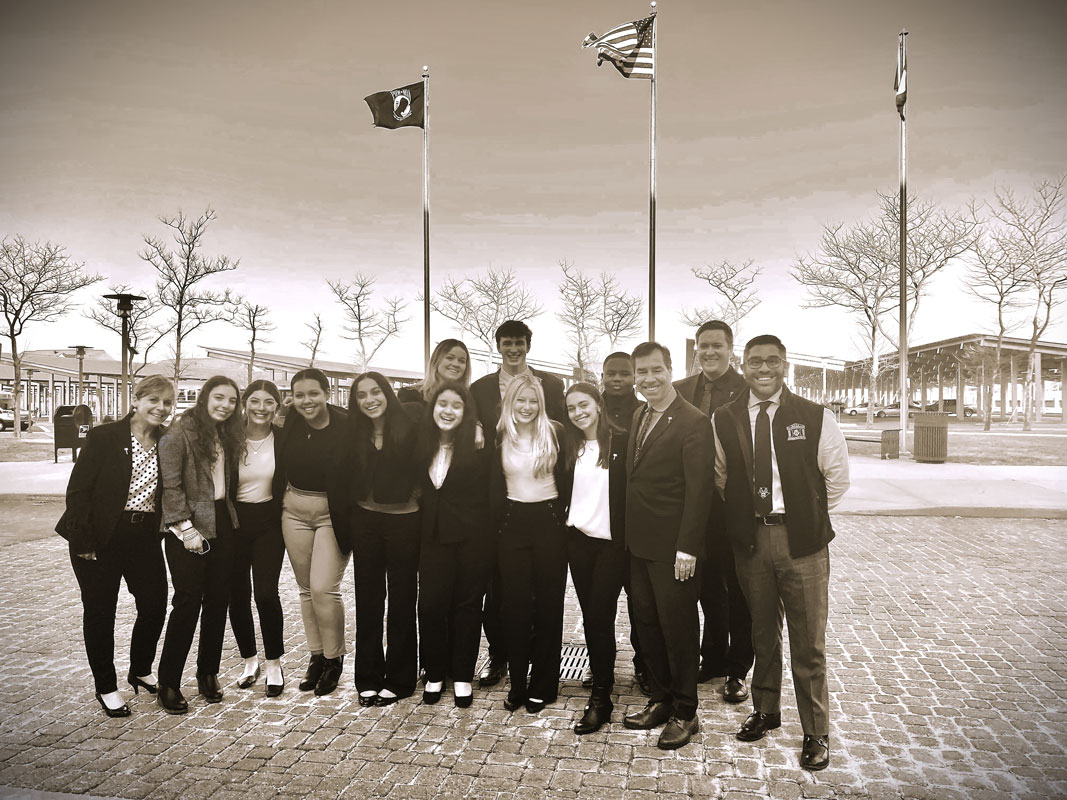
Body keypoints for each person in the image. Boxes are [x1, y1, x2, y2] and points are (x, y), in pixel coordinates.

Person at [713, 334, 849, 771]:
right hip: (752, 541)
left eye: (773, 361)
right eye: (755, 361)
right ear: (744, 365)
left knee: (808, 641)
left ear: (785, 365)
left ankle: (816, 732)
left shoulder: (814, 416)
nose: (764, 368)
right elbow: (721, 477)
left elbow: (836, 480)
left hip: (803, 543)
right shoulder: (725, 417)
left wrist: (802, 519)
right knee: (761, 633)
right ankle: (766, 710)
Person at [57, 374, 175, 717]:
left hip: (143, 537)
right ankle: (106, 686)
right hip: (99, 536)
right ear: (136, 400)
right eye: (153, 400)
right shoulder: (104, 437)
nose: (161, 408)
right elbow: (78, 491)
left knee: (154, 605)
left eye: (167, 402)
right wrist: (83, 540)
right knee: (100, 612)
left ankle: (140, 669)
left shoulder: (168, 440)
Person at [622, 342, 714, 750]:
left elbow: (700, 491)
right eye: (642, 372)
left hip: (674, 549)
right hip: (638, 545)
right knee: (646, 624)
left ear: (670, 369)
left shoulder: (693, 421)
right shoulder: (640, 414)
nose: (649, 379)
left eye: (656, 370)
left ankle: (685, 712)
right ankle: (660, 698)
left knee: (678, 629)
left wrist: (688, 548)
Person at [470, 320, 566, 687]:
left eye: (519, 343)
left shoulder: (552, 386)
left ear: (528, 345)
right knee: (503, 595)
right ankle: (502, 658)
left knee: (545, 598)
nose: (513, 349)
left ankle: (544, 672)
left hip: (546, 508)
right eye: (507, 343)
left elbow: (565, 444)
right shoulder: (480, 388)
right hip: (505, 509)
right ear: (498, 346)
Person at [673, 320, 753, 703]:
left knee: (737, 590)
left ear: (730, 349)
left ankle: (738, 669)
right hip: (691, 507)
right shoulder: (679, 390)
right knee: (704, 588)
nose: (708, 352)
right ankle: (713, 657)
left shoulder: (747, 390)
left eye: (716, 346)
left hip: (732, 506)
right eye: (703, 346)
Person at [157, 375, 243, 713]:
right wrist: (185, 528)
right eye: (219, 397)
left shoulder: (226, 434)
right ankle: (169, 681)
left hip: (223, 521)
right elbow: (171, 486)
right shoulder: (179, 433)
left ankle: (208, 672)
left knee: (219, 600)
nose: (225, 405)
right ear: (205, 397)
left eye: (232, 401)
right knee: (189, 601)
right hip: (188, 526)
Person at [491, 374, 571, 714]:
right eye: (520, 400)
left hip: (550, 521)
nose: (527, 407)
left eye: (533, 400)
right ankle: (519, 683)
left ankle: (543, 685)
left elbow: (568, 479)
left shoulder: (556, 432)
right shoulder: (498, 436)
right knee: (516, 607)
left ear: (541, 402)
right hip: (512, 524)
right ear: (510, 402)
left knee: (549, 606)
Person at [414, 382, 493, 708]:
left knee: (467, 606)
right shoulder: (419, 443)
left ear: (466, 412)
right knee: (431, 606)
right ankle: (434, 673)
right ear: (432, 408)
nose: (448, 411)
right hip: (432, 536)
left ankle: (462, 674)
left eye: (456, 406)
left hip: (472, 538)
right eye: (442, 404)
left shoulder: (479, 445)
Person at [349, 371, 420, 707]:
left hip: (405, 521)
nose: (369, 400)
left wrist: (416, 496)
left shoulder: (409, 426)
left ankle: (401, 678)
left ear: (387, 394)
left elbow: (427, 463)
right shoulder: (354, 430)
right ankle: (368, 677)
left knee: (403, 600)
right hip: (366, 521)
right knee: (368, 600)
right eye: (362, 395)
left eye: (375, 392)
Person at [280, 368, 352, 697]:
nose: (306, 401)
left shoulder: (347, 425)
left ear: (327, 393)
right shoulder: (289, 422)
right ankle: (317, 656)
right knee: (307, 589)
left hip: (331, 513)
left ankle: (334, 658)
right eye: (299, 395)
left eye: (313, 393)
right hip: (294, 509)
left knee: (324, 587)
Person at [561, 383, 628, 735]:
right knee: (591, 617)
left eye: (583, 404)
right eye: (571, 407)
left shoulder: (622, 441)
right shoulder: (569, 445)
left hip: (611, 545)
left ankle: (601, 699)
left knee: (601, 614)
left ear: (598, 405)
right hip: (578, 542)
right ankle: (602, 678)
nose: (577, 412)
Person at [596, 351, 650, 695]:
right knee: (599, 606)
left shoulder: (645, 412)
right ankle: (599, 667)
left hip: (635, 525)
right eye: (611, 373)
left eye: (623, 374)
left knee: (641, 605)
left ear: (633, 376)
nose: (617, 379)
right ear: (602, 375)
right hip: (598, 524)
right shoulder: (590, 408)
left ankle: (644, 664)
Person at [229, 380, 286, 697]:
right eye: (255, 401)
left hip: (269, 524)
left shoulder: (284, 439)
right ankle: (249, 660)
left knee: (265, 593)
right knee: (236, 595)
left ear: (277, 407)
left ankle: (274, 662)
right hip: (234, 523)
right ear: (245, 403)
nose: (261, 408)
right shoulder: (229, 438)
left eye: (268, 402)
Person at [397, 338, 472, 405]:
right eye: (450, 358)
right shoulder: (410, 395)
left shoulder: (470, 399)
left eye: (461, 361)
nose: (456, 364)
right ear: (436, 361)